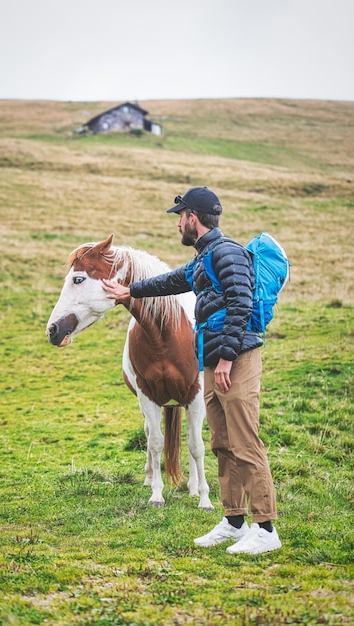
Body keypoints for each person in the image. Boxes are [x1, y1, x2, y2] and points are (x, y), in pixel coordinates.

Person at [102, 186, 282, 555]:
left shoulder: (227, 252)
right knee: (222, 442)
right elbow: (170, 281)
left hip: (237, 358)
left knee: (245, 442)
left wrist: (228, 359)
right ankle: (234, 521)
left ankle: (265, 529)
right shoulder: (204, 257)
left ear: (193, 218)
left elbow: (241, 304)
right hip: (215, 360)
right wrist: (129, 291)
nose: (178, 224)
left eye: (181, 217)